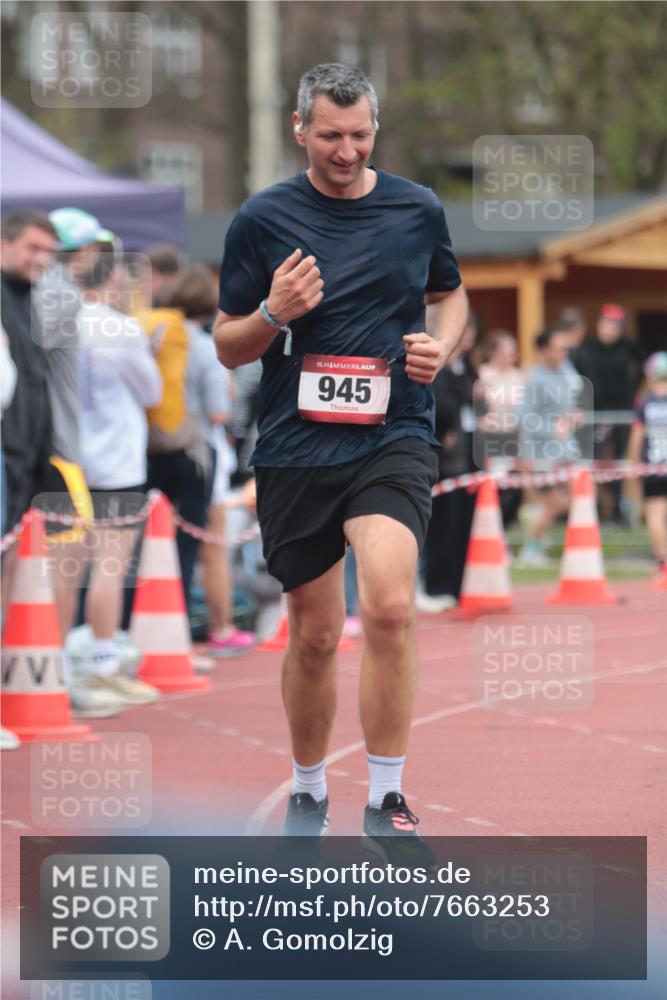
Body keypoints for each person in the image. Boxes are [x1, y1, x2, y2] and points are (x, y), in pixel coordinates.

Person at [215, 63, 467, 853]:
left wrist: (442, 346)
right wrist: (270, 313)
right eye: (330, 135)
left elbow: (450, 293)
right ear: (300, 130)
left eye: (360, 135)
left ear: (374, 129)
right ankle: (307, 789)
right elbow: (227, 345)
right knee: (315, 634)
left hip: (391, 434)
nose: (347, 150)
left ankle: (386, 797)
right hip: (295, 445)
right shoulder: (261, 219)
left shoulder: (415, 208)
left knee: (389, 607)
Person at [75, 246, 162, 705]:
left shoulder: (59, 322)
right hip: (116, 460)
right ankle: (102, 662)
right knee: (108, 568)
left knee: (63, 574)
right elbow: (151, 391)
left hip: (69, 459)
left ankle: (54, 662)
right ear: (112, 281)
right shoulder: (121, 328)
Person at [0, 211, 56, 618]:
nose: (42, 259)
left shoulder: (33, 300)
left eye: (49, 252)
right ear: (4, 244)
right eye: (33, 248)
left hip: (27, 459)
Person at [419, 313, 478, 610]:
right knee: (439, 524)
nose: (467, 336)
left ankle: (455, 585)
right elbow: (442, 407)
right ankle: (434, 583)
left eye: (470, 330)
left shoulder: (466, 370)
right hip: (441, 459)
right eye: (463, 329)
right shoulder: (438, 367)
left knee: (461, 524)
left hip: (466, 459)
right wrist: (451, 422)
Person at [516, 324, 582, 566]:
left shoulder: (568, 370)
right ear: (544, 350)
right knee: (555, 500)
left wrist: (574, 414)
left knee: (578, 493)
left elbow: (570, 401)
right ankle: (531, 545)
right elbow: (523, 417)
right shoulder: (536, 378)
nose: (564, 352)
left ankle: (536, 529)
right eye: (559, 348)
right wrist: (552, 429)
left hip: (565, 449)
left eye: (566, 348)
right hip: (540, 451)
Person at [571, 303, 642, 522]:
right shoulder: (586, 349)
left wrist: (634, 396)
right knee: (595, 460)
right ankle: (596, 508)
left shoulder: (629, 347)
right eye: (607, 324)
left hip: (623, 412)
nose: (610, 329)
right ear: (599, 324)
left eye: (615, 325)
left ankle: (618, 510)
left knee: (621, 460)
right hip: (595, 413)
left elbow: (641, 371)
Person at [476, 329, 525, 528]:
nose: (509, 358)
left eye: (512, 353)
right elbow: (478, 412)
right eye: (505, 353)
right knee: (494, 489)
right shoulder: (482, 376)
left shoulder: (519, 377)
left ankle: (503, 530)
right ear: (493, 353)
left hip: (512, 438)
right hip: (490, 439)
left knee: (514, 491)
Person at [627, 352, 667, 585]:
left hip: (653, 466)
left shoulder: (646, 403)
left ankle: (662, 562)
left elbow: (636, 436)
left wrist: (634, 464)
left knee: (655, 515)